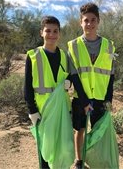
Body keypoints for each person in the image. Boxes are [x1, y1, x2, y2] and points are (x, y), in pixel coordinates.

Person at [24, 16, 91, 169]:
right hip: (43, 110)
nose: (52, 34)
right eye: (48, 31)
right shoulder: (33, 55)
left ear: (59, 33)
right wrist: (31, 110)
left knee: (63, 146)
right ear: (41, 32)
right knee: (46, 148)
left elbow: (69, 77)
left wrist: (68, 83)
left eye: (55, 31)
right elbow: (27, 86)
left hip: (62, 109)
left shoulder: (64, 55)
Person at [68, 2, 119, 169]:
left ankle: (96, 161)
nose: (89, 24)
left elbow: (111, 74)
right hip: (80, 97)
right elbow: (74, 75)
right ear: (80, 22)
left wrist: (108, 99)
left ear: (98, 21)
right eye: (86, 20)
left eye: (93, 20)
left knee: (98, 131)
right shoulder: (73, 46)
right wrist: (83, 101)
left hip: (100, 96)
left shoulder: (109, 46)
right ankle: (79, 161)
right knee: (80, 129)